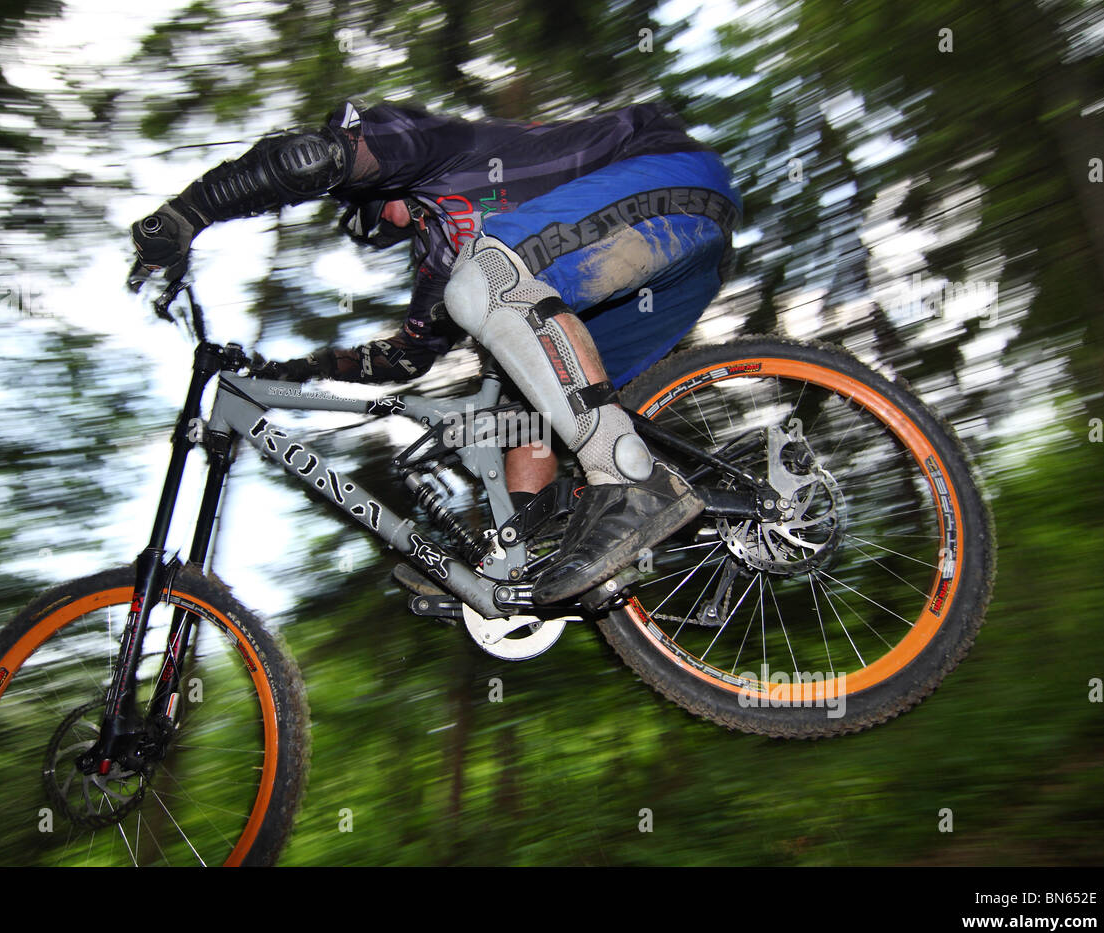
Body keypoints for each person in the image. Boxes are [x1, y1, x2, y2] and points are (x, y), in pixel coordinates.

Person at [131, 99, 742, 605]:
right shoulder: (442, 253)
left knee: (484, 283)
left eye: (364, 206)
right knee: (524, 393)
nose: (379, 225)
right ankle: (523, 552)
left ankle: (631, 479)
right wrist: (296, 370)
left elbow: (307, 159)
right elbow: (406, 357)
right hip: (660, 271)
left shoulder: (434, 149)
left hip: (663, 182)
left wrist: (188, 213)